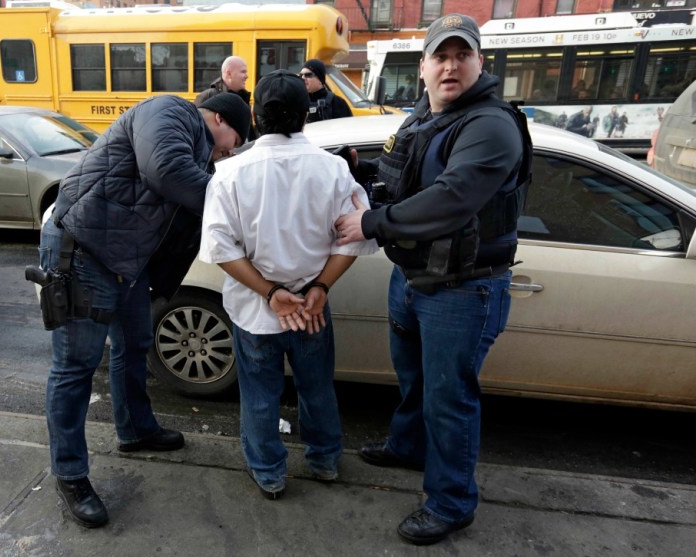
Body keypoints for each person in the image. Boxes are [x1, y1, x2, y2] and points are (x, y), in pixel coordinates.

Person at [335, 13, 531, 546]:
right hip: (415, 277)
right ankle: (408, 447)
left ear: (480, 63)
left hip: (462, 289)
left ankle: (451, 503)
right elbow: (403, 173)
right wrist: (358, 169)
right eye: (440, 56)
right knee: (415, 380)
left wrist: (371, 223)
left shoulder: (490, 125)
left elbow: (450, 199)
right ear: (422, 67)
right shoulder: (426, 114)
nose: (450, 66)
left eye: (461, 55)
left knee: (449, 399)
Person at [37, 93, 251, 528]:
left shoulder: (200, 155)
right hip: (83, 246)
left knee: (135, 342)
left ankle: (135, 429)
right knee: (75, 366)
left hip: (124, 260)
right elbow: (165, 170)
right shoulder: (169, 111)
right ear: (218, 118)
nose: (229, 152)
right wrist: (238, 206)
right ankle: (70, 474)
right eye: (235, 141)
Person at [199, 70, 377, 500]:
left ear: (255, 117)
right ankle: (324, 460)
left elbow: (221, 248)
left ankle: (268, 472)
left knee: (260, 395)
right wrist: (320, 288)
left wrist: (270, 293)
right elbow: (355, 238)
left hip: (256, 311)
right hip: (312, 308)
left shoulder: (229, 173)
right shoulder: (334, 169)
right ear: (305, 116)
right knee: (317, 388)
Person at [195, 55, 257, 140]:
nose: (247, 76)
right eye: (243, 72)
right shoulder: (207, 97)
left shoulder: (243, 98)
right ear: (229, 74)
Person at [299, 58, 353, 123]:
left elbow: (347, 126)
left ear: (320, 79)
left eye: (308, 75)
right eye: (301, 75)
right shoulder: (297, 102)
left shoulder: (337, 103)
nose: (303, 78)